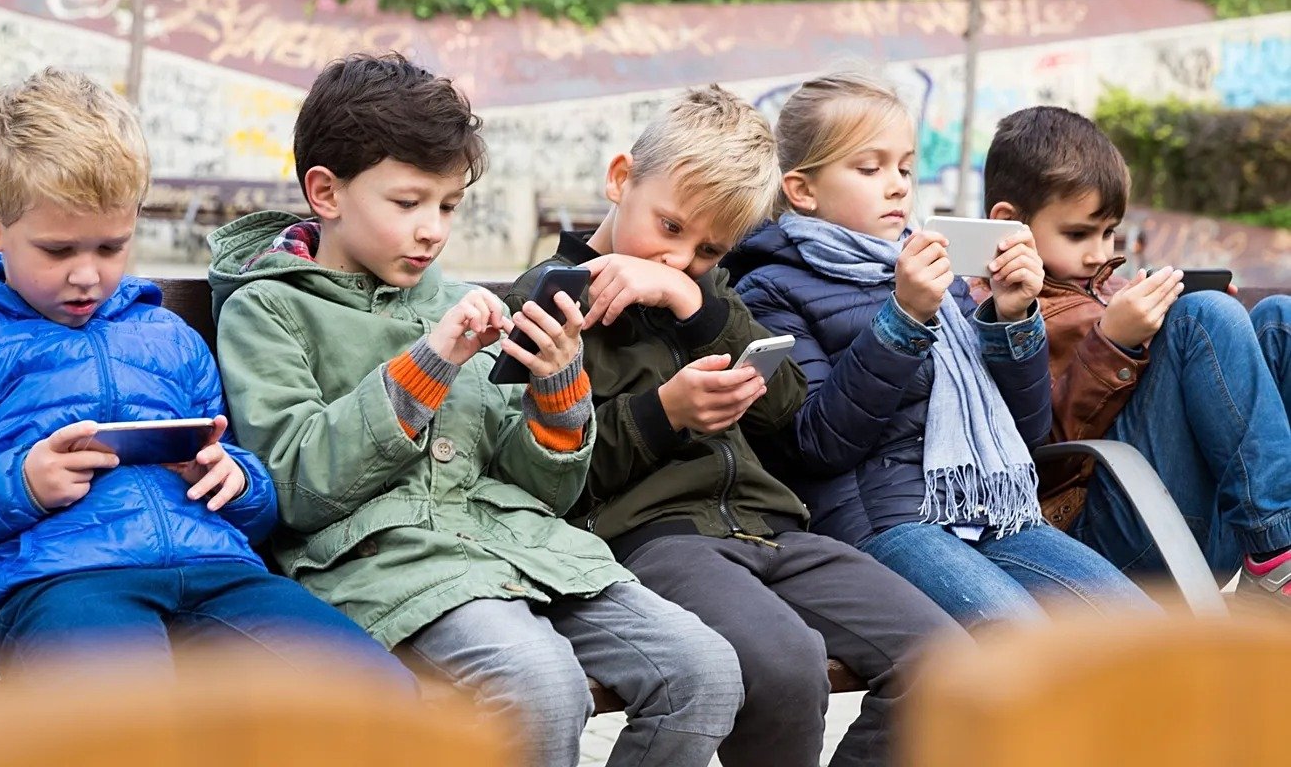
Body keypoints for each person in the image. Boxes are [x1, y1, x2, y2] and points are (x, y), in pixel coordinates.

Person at [209, 53, 742, 767]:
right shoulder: (267, 309)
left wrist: (558, 386)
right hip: (385, 565)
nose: (433, 230)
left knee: (706, 673)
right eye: (408, 203)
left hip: (525, 552)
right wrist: (428, 366)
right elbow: (299, 488)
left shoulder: (455, 298)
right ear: (326, 192)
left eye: (449, 206)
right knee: (543, 688)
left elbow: (544, 491)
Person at [513, 84, 965, 767]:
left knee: (946, 662)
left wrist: (694, 303)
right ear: (620, 179)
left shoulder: (708, 292)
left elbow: (786, 408)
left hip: (772, 529)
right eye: (670, 228)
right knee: (787, 665)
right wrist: (665, 414)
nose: (678, 259)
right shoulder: (550, 300)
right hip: (651, 540)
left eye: (708, 249)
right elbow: (548, 479)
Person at [0, 69, 414, 687]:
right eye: (58, 250)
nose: (87, 275)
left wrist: (235, 480)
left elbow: (254, 503)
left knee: (375, 693)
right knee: (130, 713)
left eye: (111, 247)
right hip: (57, 583)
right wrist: (21, 483)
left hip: (216, 569)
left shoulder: (168, 335)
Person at [724, 71, 1155, 626]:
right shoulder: (768, 289)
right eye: (870, 168)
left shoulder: (933, 268)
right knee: (1024, 639)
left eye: (905, 168)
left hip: (991, 512)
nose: (897, 186)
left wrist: (1013, 318)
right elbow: (817, 444)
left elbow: (1024, 430)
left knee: (1143, 631)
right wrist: (902, 320)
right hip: (882, 523)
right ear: (802, 190)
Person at [982, 105, 1291, 601]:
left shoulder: (1110, 287)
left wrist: (1216, 336)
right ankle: (1279, 557)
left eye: (1109, 233)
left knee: (1277, 320)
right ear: (1008, 225)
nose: (1100, 254)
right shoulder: (994, 310)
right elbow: (1030, 454)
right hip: (1104, 535)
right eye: (1078, 234)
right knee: (1201, 318)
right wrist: (1113, 343)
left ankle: (1276, 549)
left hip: (1202, 522)